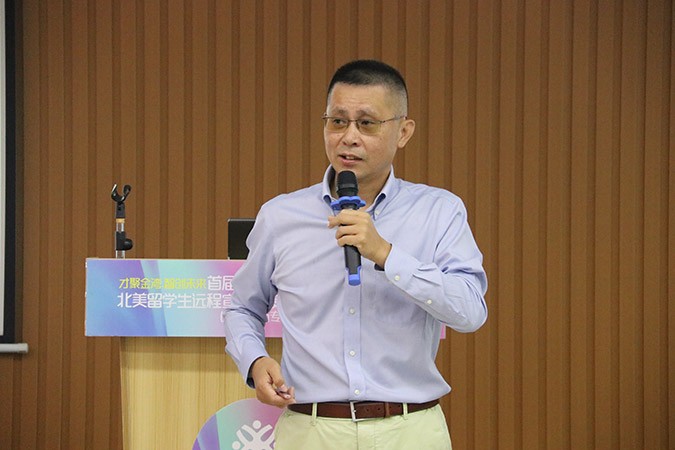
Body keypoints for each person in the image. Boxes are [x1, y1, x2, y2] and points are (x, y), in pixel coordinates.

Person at [224, 59, 488, 450]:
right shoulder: (280, 216)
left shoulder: (439, 211)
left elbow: (470, 312)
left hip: (410, 430)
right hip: (311, 430)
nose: (349, 137)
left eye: (366, 123)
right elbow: (242, 307)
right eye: (337, 122)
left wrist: (385, 254)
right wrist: (254, 360)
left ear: (403, 131)